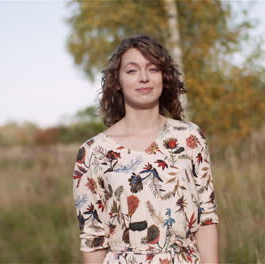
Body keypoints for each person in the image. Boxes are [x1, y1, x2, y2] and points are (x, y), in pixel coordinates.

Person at [72, 34, 219, 264]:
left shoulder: (190, 137)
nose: (143, 78)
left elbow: (207, 219)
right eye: (131, 70)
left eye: (152, 69)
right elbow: (93, 237)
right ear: (117, 82)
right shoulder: (93, 152)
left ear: (164, 77)